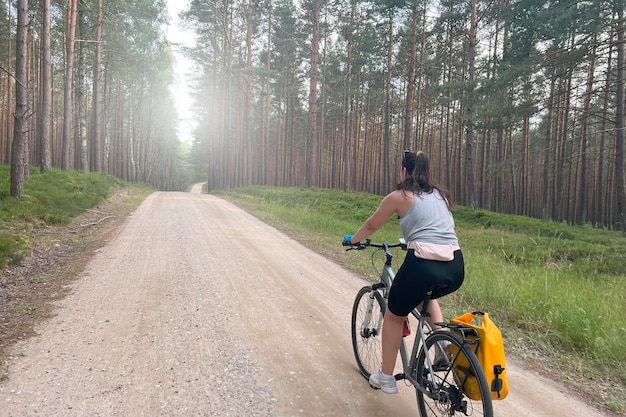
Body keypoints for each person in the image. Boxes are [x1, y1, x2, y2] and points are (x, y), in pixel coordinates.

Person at [342, 150, 464, 394]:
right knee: (426, 296)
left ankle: (386, 377)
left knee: (395, 315)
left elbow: (371, 225)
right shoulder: (442, 196)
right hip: (455, 266)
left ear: (404, 171)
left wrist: (353, 240)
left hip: (422, 263)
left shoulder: (399, 196)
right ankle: (441, 348)